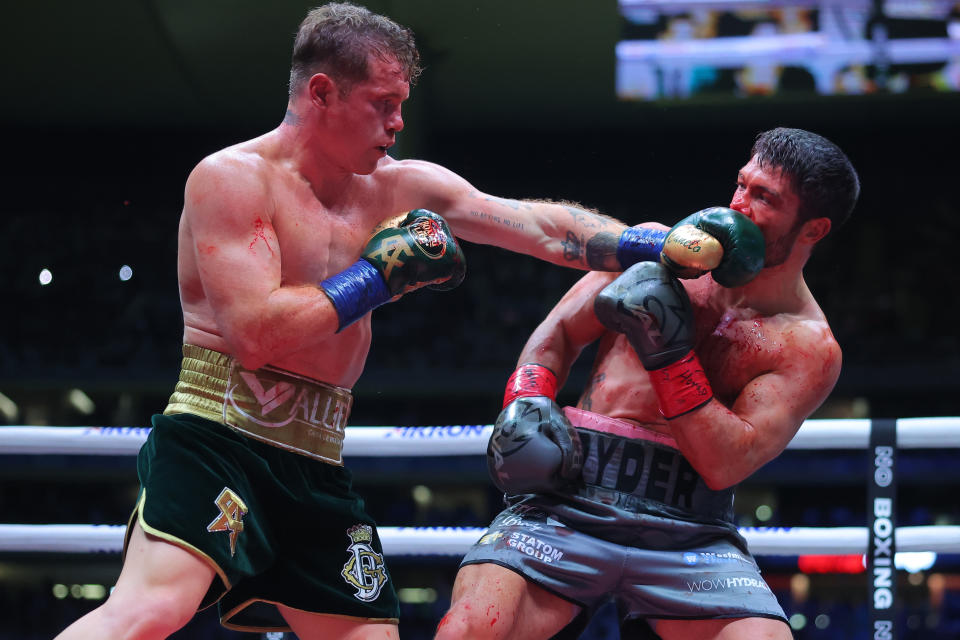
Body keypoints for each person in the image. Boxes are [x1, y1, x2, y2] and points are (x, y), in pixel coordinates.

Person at [53, 4, 762, 640]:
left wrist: (649, 241)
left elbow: (542, 228)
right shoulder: (232, 180)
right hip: (217, 436)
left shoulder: (399, 187)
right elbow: (254, 334)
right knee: (151, 611)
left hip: (315, 460)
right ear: (322, 92)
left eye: (403, 104)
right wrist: (376, 278)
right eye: (382, 104)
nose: (397, 123)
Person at [437, 127, 859, 640]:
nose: (739, 205)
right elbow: (559, 335)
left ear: (812, 229)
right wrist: (526, 398)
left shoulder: (807, 346)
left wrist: (668, 352)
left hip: (690, 534)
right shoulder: (662, 249)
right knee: (470, 628)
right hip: (568, 500)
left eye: (765, 198)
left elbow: (725, 462)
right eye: (742, 185)